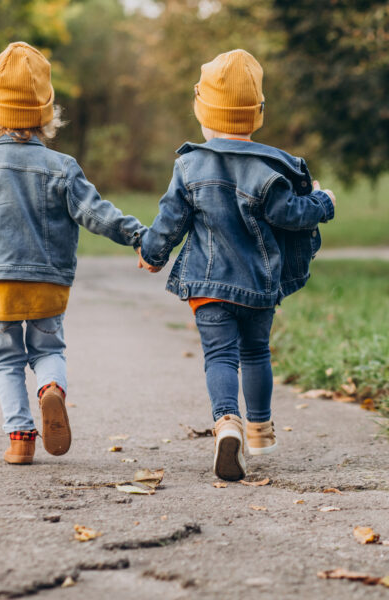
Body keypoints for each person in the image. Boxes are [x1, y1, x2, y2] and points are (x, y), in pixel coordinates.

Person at [0, 42, 147, 464]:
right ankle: (51, 388)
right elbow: (97, 214)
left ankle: (20, 440)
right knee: (49, 350)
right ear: (48, 114)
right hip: (48, 285)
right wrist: (140, 236)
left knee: (6, 361)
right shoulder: (63, 168)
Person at [138, 49, 336, 481]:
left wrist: (152, 254)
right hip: (259, 286)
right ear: (257, 113)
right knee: (256, 352)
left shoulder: (189, 165)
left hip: (208, 287)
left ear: (202, 112)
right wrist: (324, 201)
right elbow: (291, 215)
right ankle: (261, 428)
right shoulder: (271, 168)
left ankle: (227, 423)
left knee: (220, 357)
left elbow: (170, 220)